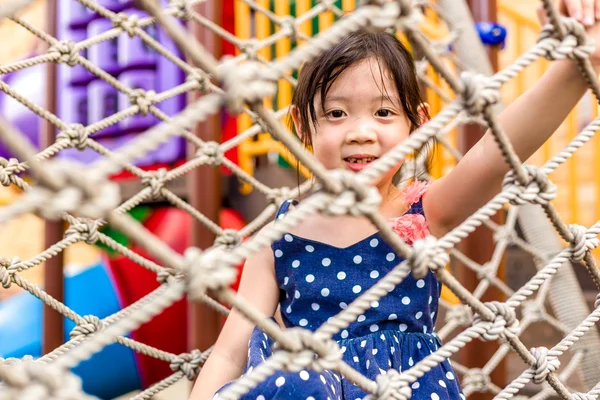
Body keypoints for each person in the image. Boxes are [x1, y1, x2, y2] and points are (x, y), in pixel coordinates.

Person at [191, 1, 600, 398]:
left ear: (417, 125)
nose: (361, 131)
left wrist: (577, 66)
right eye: (336, 114)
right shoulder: (279, 238)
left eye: (384, 113)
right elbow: (230, 351)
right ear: (302, 124)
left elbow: (497, 152)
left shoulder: (425, 212)